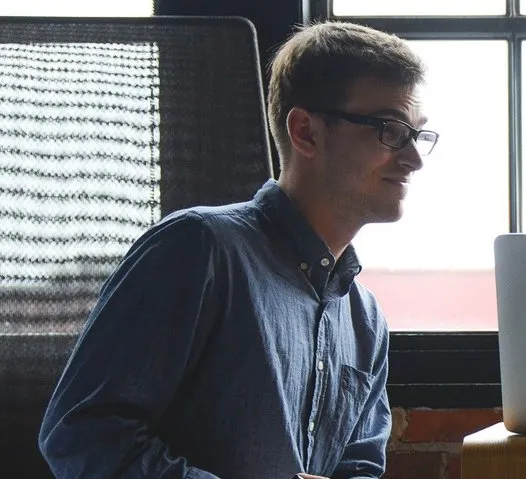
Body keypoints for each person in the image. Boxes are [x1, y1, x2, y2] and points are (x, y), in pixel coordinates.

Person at [39, 21, 436, 478]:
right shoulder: (197, 249)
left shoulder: (365, 319)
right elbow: (81, 434)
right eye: (391, 129)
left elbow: (359, 467)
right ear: (306, 132)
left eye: (417, 135)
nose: (414, 159)